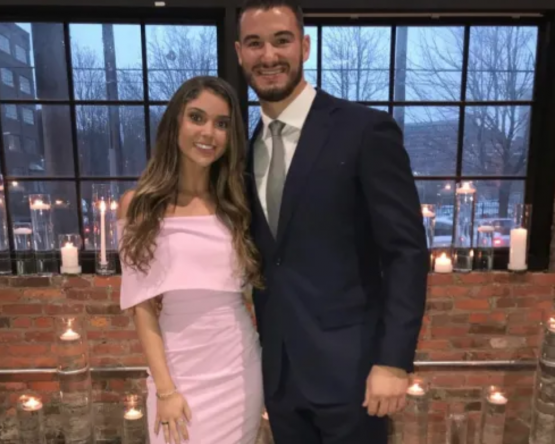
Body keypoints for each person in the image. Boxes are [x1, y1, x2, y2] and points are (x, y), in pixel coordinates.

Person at [235, 1, 429, 443]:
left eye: (282, 40)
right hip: (280, 378)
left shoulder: (364, 130)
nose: (269, 55)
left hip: (354, 374)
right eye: (255, 43)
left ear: (304, 46)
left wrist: (394, 360)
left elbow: (405, 251)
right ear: (240, 53)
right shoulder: (246, 151)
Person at [116, 76, 264, 444]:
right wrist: (165, 390)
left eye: (221, 123)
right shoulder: (139, 206)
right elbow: (142, 307)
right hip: (177, 370)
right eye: (197, 117)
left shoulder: (237, 204)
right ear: (175, 123)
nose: (208, 132)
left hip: (238, 369)